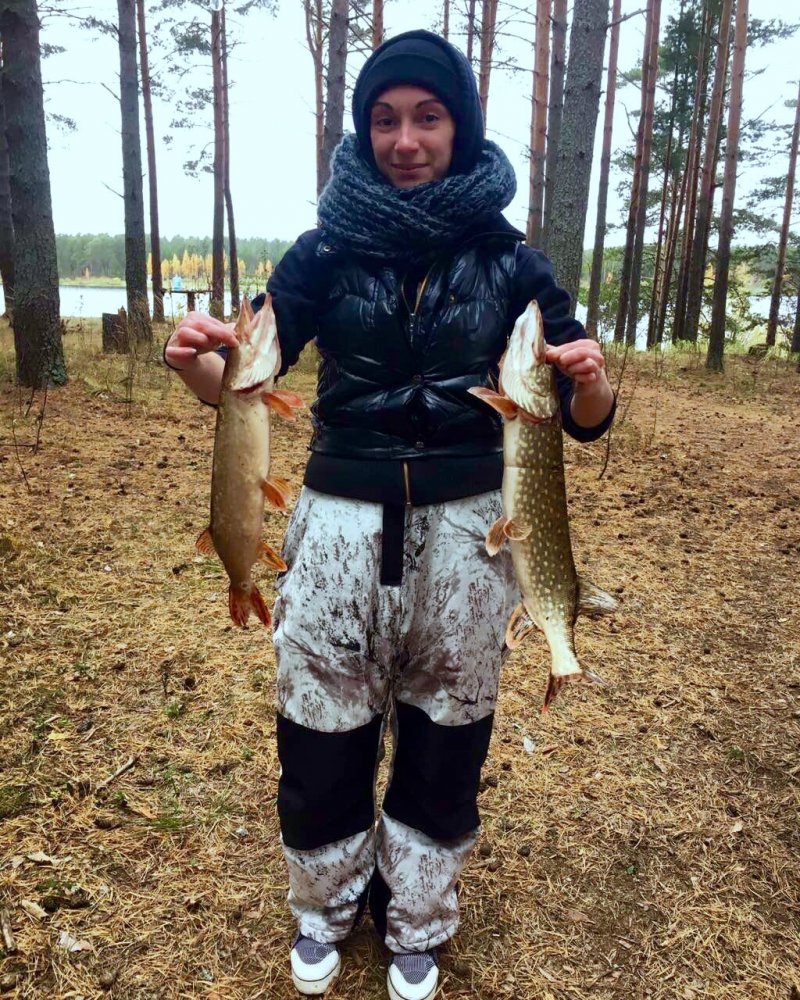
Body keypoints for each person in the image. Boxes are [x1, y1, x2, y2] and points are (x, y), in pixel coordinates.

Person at [164, 29, 615, 1000]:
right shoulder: (324, 251)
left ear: (460, 127)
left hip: (466, 533)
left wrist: (590, 382)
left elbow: (583, 416)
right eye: (384, 120)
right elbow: (244, 381)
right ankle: (324, 907)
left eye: (427, 117)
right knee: (321, 725)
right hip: (337, 520)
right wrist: (198, 362)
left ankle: (416, 915)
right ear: (364, 131)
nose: (404, 140)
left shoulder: (512, 263)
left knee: (448, 730)